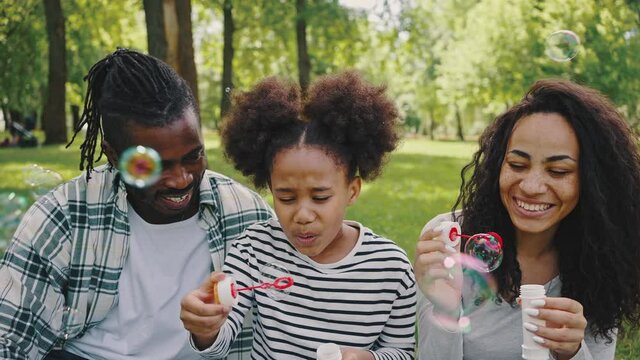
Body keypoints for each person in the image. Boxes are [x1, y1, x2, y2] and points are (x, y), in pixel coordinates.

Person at [0, 48, 273, 359]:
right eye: (154, 166)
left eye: (193, 156)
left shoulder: (245, 214)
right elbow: (10, 337)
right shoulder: (64, 216)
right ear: (114, 155)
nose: (180, 179)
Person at [180, 71, 417, 359]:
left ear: (352, 191)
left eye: (320, 197)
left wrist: (366, 358)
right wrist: (206, 328)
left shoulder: (391, 269)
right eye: (286, 197)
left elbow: (402, 352)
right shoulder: (255, 248)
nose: (303, 215)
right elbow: (221, 341)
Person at [415, 79, 640, 360]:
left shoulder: (603, 257)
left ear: (594, 182)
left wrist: (572, 352)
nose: (531, 186)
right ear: (498, 164)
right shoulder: (448, 239)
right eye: (517, 165)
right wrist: (445, 310)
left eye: (558, 171)